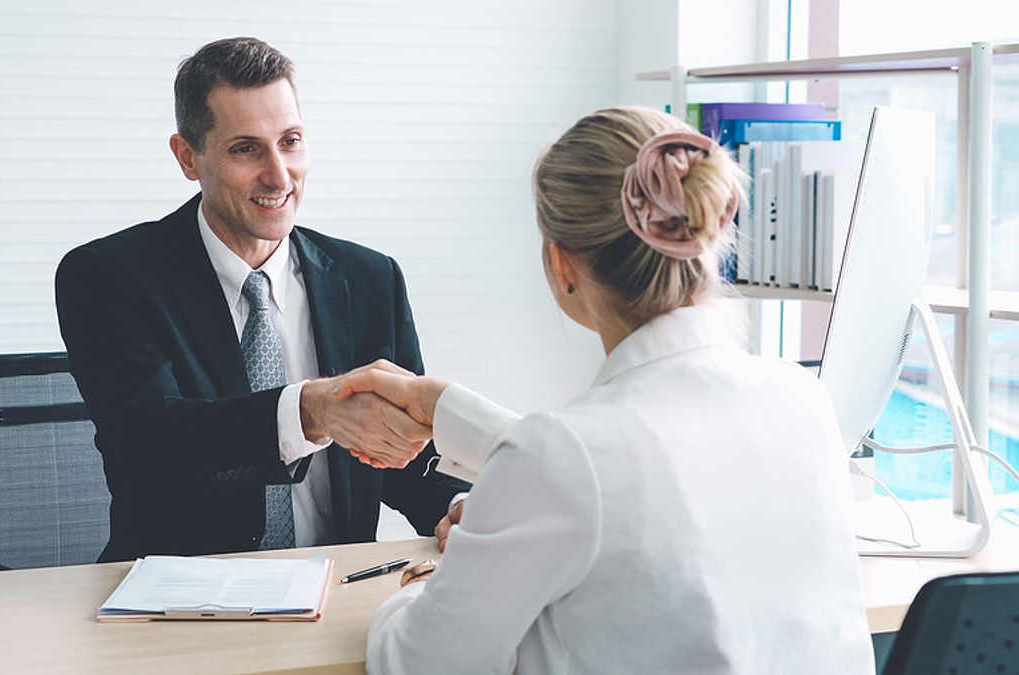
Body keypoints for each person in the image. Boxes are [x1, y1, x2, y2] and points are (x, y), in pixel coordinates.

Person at [342, 107, 874, 673]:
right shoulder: (803, 400)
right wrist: (446, 406)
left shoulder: (565, 457)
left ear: (561, 266)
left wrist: (437, 581)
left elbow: (416, 663)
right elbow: (621, 471)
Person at [54, 37, 467, 563]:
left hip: (333, 593)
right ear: (187, 157)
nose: (279, 175)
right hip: (177, 606)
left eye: (290, 141)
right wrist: (309, 411)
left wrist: (454, 503)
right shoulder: (110, 276)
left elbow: (402, 452)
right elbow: (146, 445)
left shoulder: (368, 278)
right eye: (246, 149)